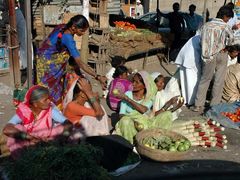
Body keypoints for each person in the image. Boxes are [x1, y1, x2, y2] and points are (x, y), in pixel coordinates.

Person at [36, 15, 107, 108]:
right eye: (81, 31)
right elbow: (80, 63)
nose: (82, 34)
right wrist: (97, 77)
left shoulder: (62, 27)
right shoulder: (68, 39)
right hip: (48, 66)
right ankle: (47, 111)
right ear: (73, 27)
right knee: (48, 91)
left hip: (41, 60)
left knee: (47, 90)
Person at [2, 85, 72, 158]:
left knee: (61, 128)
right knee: (17, 129)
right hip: (28, 141)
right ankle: (22, 160)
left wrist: (62, 138)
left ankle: (56, 154)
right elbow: (7, 129)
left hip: (46, 141)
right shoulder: (25, 111)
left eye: (49, 98)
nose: (49, 101)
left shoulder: (50, 110)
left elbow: (68, 123)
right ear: (35, 104)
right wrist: (32, 138)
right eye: (45, 100)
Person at [192, 6, 234, 112]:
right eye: (228, 18)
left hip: (207, 56)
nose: (228, 20)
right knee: (218, 80)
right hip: (221, 54)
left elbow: (200, 39)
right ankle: (214, 106)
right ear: (224, 16)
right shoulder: (225, 26)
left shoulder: (206, 25)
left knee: (205, 79)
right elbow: (232, 40)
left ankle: (198, 105)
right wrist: (226, 47)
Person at [114, 71, 172, 144]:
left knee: (167, 114)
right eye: (133, 81)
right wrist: (133, 121)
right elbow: (121, 114)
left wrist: (127, 99)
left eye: (137, 82)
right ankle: (131, 144)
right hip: (131, 127)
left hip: (145, 125)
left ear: (145, 85)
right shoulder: (128, 94)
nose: (133, 84)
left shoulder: (148, 97)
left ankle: (157, 139)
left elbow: (143, 110)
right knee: (125, 120)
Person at [175, 35, 201, 106]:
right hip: (191, 60)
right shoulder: (202, 37)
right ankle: (191, 101)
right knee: (192, 81)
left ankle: (186, 99)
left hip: (186, 58)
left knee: (185, 81)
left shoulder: (197, 36)